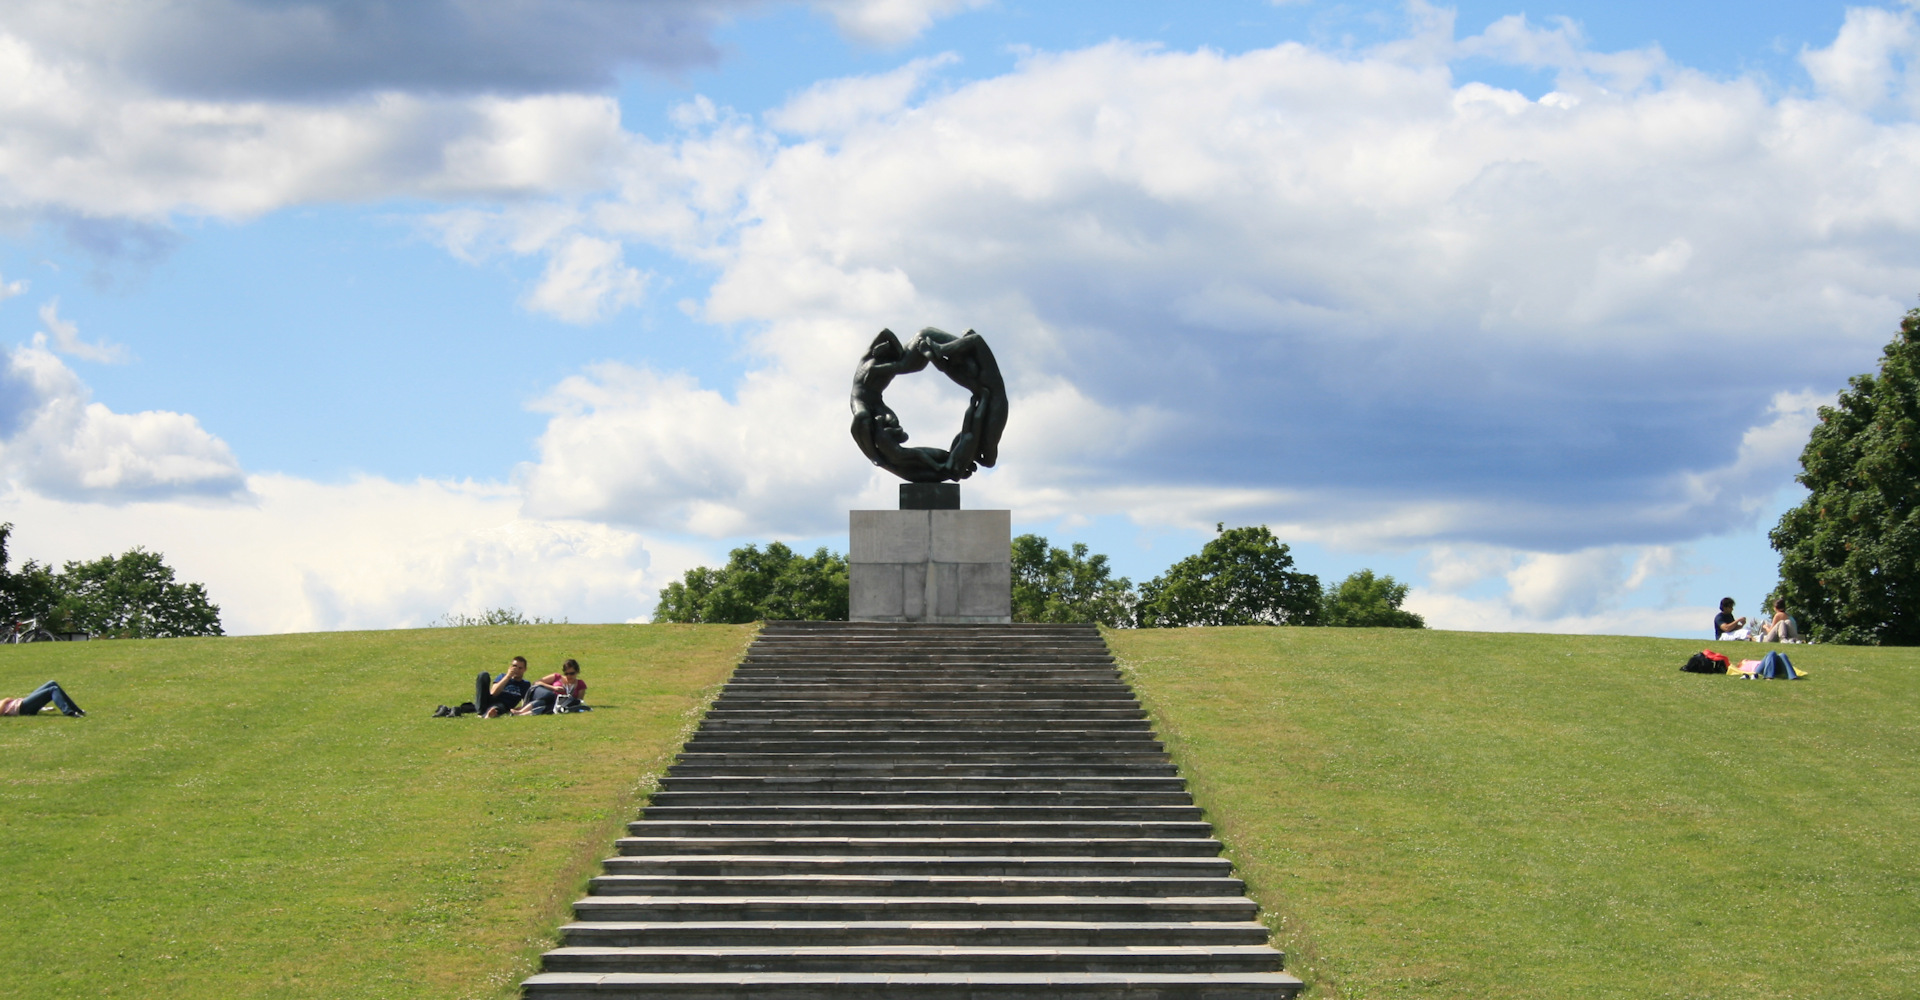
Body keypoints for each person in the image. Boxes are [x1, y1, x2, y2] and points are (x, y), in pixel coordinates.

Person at [513, 658, 588, 715]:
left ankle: (522, 714)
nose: (569, 676)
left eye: (572, 673)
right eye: (566, 673)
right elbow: (537, 682)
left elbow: (578, 701)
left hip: (558, 704)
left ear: (577, 672)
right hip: (548, 698)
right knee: (544, 699)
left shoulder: (580, 684)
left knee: (547, 708)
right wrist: (553, 688)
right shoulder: (557, 677)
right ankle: (520, 711)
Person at [2, 679, 85, 717]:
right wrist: (5, 700)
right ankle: (68, 712)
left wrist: (43, 708)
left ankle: (77, 710)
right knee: (53, 690)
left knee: (52, 683)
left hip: (22, 702)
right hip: (21, 708)